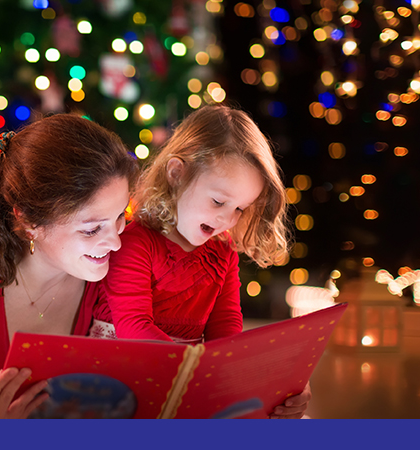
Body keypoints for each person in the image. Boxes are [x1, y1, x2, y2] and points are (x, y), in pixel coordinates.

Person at [92, 104, 310, 418]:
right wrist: (196, 372)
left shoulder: (222, 252)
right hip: (122, 373)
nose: (227, 219)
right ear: (177, 174)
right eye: (219, 201)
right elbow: (134, 326)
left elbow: (226, 327)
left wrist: (247, 377)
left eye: (239, 209)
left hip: (187, 380)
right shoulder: (135, 242)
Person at [0, 114, 138, 419]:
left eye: (120, 217)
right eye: (91, 229)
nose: (116, 243)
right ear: (28, 221)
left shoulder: (124, 256)